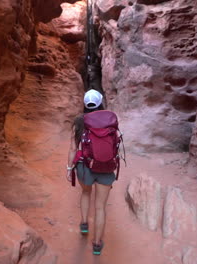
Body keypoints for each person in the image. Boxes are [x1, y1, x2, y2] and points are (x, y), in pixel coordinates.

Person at [66, 89, 117, 255]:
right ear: (100, 102)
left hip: (85, 166)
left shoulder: (79, 121)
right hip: (106, 167)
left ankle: (84, 224)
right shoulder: (110, 119)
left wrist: (69, 168)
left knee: (86, 193)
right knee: (100, 207)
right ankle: (96, 244)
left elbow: (73, 148)